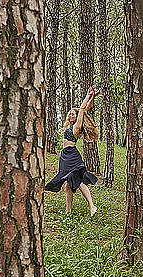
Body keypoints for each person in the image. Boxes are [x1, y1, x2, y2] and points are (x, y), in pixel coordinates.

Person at [45, 87, 100, 216]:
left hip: (71, 155)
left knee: (78, 180)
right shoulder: (69, 127)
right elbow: (85, 109)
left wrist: (88, 95)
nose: (70, 115)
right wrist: (92, 98)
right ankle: (68, 211)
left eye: (73, 114)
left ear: (77, 118)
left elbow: (82, 110)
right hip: (65, 156)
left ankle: (92, 206)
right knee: (67, 184)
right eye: (69, 113)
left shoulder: (77, 127)